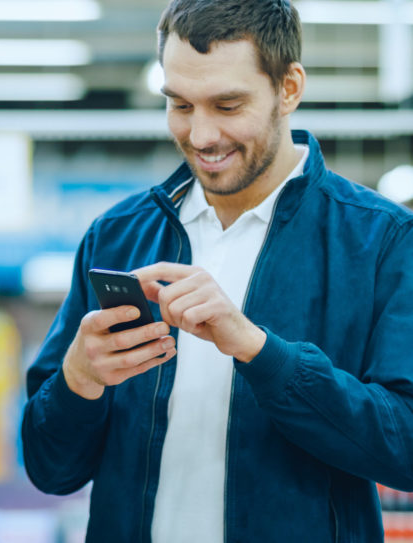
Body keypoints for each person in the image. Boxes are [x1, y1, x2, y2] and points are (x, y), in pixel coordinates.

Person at [21, 1, 413, 541]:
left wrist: (260, 351)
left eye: (227, 105)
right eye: (180, 105)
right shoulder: (116, 237)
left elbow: (405, 447)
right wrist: (78, 380)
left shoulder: (380, 242)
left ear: (289, 88)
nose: (201, 136)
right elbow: (50, 469)